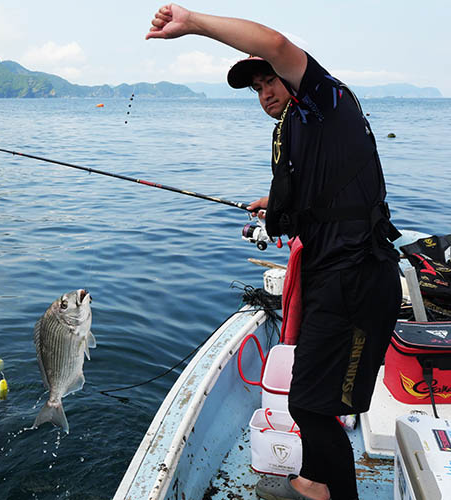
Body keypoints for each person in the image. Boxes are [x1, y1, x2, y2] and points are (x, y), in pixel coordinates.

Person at [147, 5, 402, 500]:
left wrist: (193, 23)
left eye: (271, 80)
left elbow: (278, 44)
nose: (265, 93)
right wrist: (277, 204)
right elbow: (326, 193)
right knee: (308, 394)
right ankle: (314, 480)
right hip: (331, 277)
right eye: (257, 87)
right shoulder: (301, 128)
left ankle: (333, 493)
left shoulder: (323, 101)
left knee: (310, 405)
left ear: (292, 78)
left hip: (356, 281)